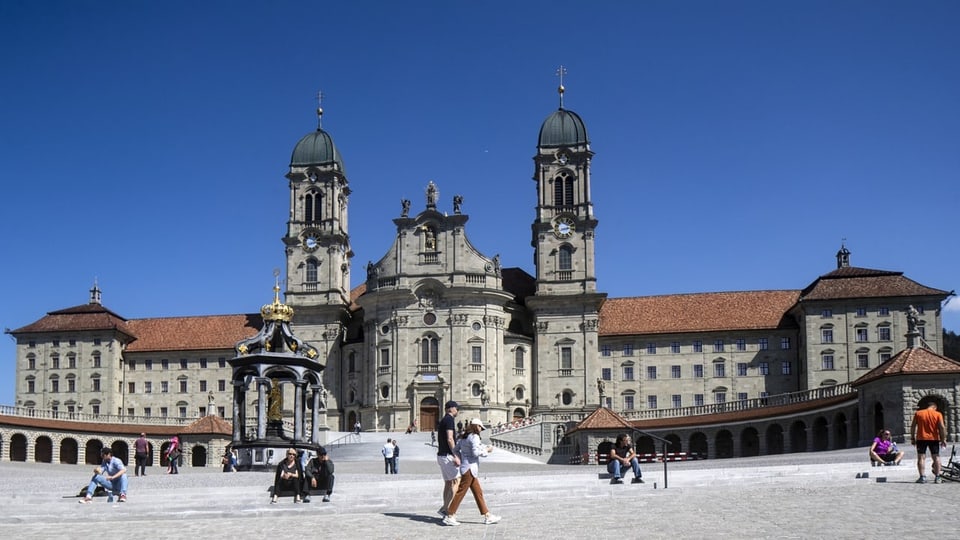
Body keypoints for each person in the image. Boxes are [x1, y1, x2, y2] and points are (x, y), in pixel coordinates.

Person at [443, 418, 501, 526]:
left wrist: (461, 458)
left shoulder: (463, 437)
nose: (480, 429)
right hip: (470, 469)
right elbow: (475, 452)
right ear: (476, 426)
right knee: (461, 492)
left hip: (467, 468)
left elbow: (455, 449)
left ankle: (487, 515)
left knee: (478, 493)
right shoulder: (474, 437)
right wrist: (486, 450)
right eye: (480, 427)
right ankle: (450, 515)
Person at [911, 401, 947, 483]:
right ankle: (938, 477)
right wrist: (943, 439)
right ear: (934, 407)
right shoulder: (937, 414)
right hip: (934, 438)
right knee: (936, 457)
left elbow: (913, 426)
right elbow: (942, 427)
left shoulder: (918, 413)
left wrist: (912, 437)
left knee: (921, 457)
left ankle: (922, 477)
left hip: (921, 438)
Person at [436, 400, 461, 518]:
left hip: (441, 455)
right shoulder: (450, 420)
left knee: (448, 483)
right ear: (451, 408)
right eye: (456, 408)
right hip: (447, 455)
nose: (457, 410)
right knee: (457, 481)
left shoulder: (443, 420)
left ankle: (444, 509)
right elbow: (450, 439)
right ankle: (449, 511)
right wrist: (455, 455)